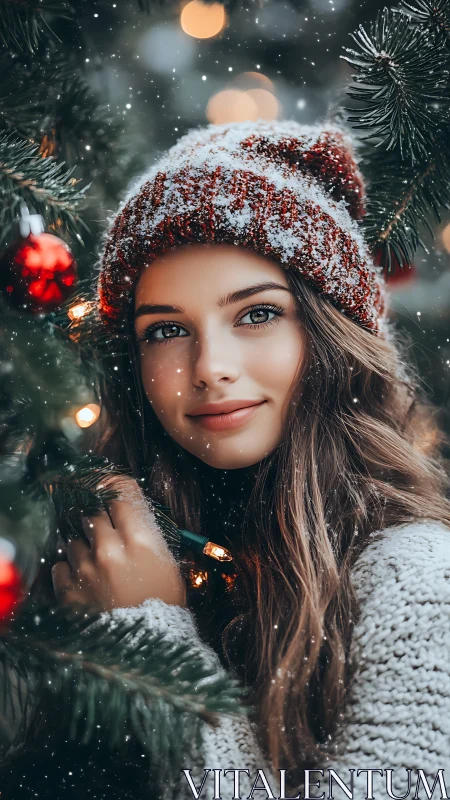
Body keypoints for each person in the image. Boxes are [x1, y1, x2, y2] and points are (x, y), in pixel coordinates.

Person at [51, 119, 450, 800]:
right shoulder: (102, 547)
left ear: (330, 336)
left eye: (257, 314)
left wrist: (156, 642)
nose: (210, 368)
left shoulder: (418, 584)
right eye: (167, 331)